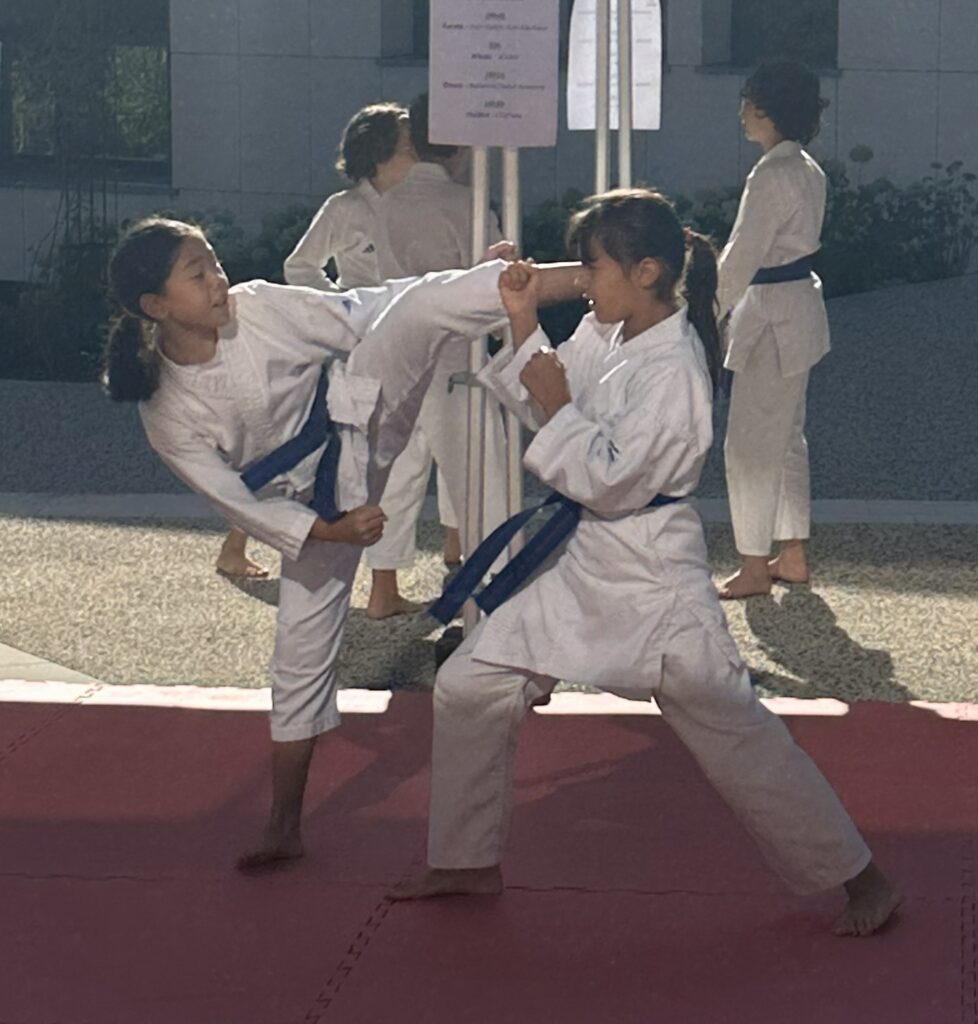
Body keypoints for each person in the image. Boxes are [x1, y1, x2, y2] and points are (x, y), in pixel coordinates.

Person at [391, 189, 900, 937]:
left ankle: (864, 879)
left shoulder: (677, 373)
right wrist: (525, 315)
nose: (587, 282)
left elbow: (610, 480)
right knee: (471, 682)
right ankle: (466, 860)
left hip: (654, 576)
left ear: (649, 270)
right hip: (586, 564)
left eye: (594, 268)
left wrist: (558, 406)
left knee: (736, 732)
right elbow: (547, 388)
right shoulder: (613, 329)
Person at [102, 216, 579, 871]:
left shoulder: (259, 306)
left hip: (366, 413)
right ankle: (284, 824)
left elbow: (363, 314)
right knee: (297, 654)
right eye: (198, 274)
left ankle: (593, 277)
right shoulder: (165, 408)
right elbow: (232, 501)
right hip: (313, 507)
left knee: (415, 308)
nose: (218, 280)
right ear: (156, 307)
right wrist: (326, 530)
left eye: (214, 262)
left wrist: (479, 288)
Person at [362, 92, 510, 619]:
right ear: (464, 143)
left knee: (394, 477)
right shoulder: (467, 206)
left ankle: (383, 588)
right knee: (479, 479)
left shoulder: (388, 205)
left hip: (398, 355)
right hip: (456, 360)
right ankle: (486, 586)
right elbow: (493, 295)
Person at [715, 60, 831, 599]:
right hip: (797, 309)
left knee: (749, 445)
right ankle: (792, 553)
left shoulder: (771, 174)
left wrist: (702, 309)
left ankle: (754, 564)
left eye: (749, 104)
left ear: (769, 111)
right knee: (785, 439)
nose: (741, 113)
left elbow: (742, 258)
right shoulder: (806, 169)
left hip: (771, 311)